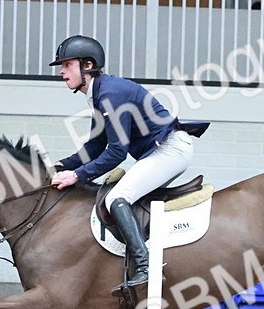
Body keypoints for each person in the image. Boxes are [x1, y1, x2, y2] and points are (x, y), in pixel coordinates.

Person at [48, 35, 204, 292]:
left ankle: (146, 267)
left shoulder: (109, 94)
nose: (62, 72)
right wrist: (62, 165)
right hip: (162, 151)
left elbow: (117, 152)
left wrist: (77, 176)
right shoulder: (100, 94)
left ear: (87, 65)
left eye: (67, 65)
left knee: (116, 197)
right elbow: (95, 146)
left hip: (171, 150)